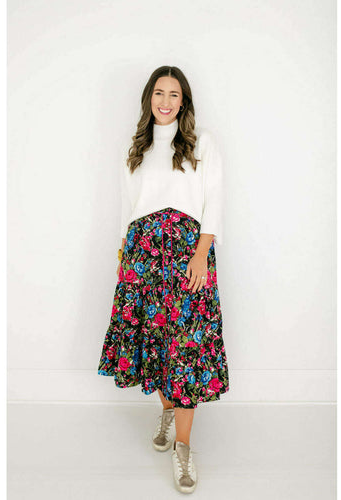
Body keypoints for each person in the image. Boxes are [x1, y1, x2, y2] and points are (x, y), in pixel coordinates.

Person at [97, 65, 230, 494]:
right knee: (155, 342)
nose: (166, 101)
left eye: (174, 94)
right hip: (142, 256)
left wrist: (201, 253)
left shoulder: (201, 142)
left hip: (188, 255)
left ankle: (183, 449)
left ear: (183, 101)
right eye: (159, 93)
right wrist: (124, 255)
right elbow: (127, 206)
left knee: (186, 348)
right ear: (149, 98)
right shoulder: (134, 147)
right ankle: (168, 412)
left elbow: (214, 199)